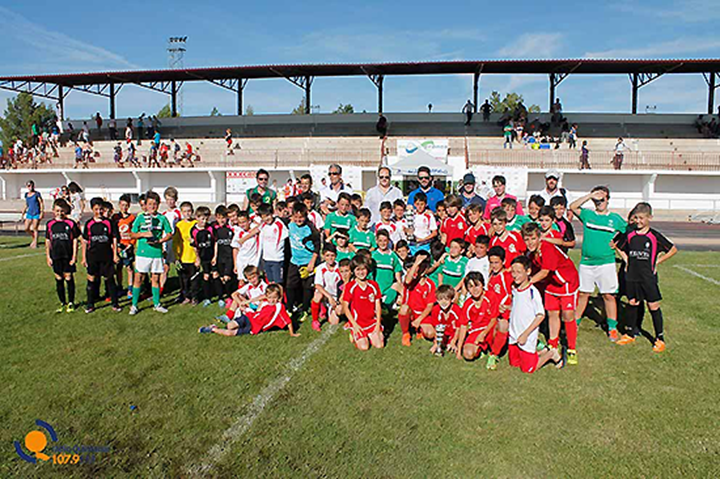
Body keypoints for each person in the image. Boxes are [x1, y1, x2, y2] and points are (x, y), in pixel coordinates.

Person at [615, 203, 678, 353]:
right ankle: (630, 334)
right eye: (636, 218)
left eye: (642, 218)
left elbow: (673, 249)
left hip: (647, 277)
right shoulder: (630, 235)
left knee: (653, 306)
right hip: (631, 275)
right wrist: (626, 259)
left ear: (650, 217)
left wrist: (657, 262)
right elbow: (617, 245)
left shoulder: (654, 236)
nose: (638, 221)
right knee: (632, 302)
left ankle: (659, 338)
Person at [570, 186, 627, 341]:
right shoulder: (588, 215)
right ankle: (574, 324)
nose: (599, 202)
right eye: (596, 200)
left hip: (606, 263)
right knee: (583, 294)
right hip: (587, 263)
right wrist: (589, 195)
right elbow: (573, 206)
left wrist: (618, 243)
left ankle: (612, 328)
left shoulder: (615, 218)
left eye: (602, 199)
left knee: (608, 295)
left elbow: (628, 232)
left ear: (607, 199)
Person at [522, 222, 579, 365]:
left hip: (566, 282)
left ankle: (571, 348)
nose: (530, 242)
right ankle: (553, 343)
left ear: (539, 237)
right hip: (551, 284)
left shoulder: (547, 248)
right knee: (552, 313)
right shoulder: (531, 253)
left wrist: (528, 283)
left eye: (533, 238)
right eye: (527, 239)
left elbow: (545, 271)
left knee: (567, 314)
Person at [507, 256, 562, 373]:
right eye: (513, 272)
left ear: (528, 272)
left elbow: (540, 315)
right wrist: (507, 308)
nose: (515, 275)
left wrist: (525, 334)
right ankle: (542, 351)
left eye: (518, 272)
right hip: (513, 335)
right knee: (514, 364)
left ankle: (551, 353)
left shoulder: (532, 292)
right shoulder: (514, 289)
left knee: (528, 369)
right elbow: (518, 307)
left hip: (526, 335)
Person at [129, 191, 173, 315]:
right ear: (145, 205)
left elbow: (169, 233)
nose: (152, 206)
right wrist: (143, 234)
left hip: (156, 253)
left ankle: (157, 304)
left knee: (155, 278)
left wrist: (160, 240)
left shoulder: (162, 218)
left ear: (158, 204)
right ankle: (134, 305)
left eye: (155, 204)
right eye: (150, 204)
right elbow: (132, 234)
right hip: (143, 253)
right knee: (139, 278)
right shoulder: (140, 217)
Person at [198, 284, 299, 338]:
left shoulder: (279, 307)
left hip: (254, 328)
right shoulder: (264, 302)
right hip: (248, 317)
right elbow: (259, 304)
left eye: (274, 298)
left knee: (230, 333)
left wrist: (292, 333)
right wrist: (247, 305)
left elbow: (288, 321)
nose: (272, 300)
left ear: (278, 297)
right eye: (270, 297)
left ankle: (213, 329)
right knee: (230, 326)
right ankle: (217, 326)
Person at [82, 197, 120, 313]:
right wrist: (84, 257)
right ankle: (90, 304)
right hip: (92, 256)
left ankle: (115, 304)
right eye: (96, 209)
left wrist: (115, 254)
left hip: (106, 256)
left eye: (101, 209)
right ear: (92, 209)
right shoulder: (89, 224)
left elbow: (114, 239)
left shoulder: (109, 223)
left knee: (109, 279)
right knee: (91, 279)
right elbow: (85, 241)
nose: (99, 211)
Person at [286, 202, 320, 324]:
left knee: (307, 287)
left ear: (306, 216)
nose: (298, 220)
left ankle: (305, 309)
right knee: (290, 285)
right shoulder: (289, 225)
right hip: (294, 262)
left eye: (301, 217)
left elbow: (317, 246)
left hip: (308, 262)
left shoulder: (310, 228)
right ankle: (289, 308)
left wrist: (312, 263)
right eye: (296, 217)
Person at [341, 256, 384, 350]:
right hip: (358, 324)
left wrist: (377, 325)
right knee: (364, 347)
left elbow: (378, 305)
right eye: (358, 270)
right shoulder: (350, 286)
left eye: (363, 269)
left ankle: (370, 334)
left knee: (379, 345)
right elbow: (345, 307)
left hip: (372, 323)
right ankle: (353, 333)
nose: (361, 272)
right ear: (353, 271)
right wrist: (355, 325)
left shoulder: (373, 285)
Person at [46, 198, 80, 313]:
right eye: (57, 211)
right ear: (53, 211)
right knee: (58, 278)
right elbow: (48, 241)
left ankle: (71, 302)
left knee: (69, 277)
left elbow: (75, 240)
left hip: (67, 256)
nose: (59, 213)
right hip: (55, 256)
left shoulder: (70, 223)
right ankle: (62, 302)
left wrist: (74, 256)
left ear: (65, 210)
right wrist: (48, 256)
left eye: (61, 211)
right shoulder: (50, 224)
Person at [398, 251, 436, 347]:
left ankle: (419, 330)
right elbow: (407, 280)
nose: (421, 270)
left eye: (424, 267)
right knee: (404, 308)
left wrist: (419, 319)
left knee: (430, 334)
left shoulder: (430, 284)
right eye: (420, 267)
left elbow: (429, 305)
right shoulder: (411, 279)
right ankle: (406, 333)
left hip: (422, 314)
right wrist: (416, 263)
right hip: (410, 312)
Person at [457, 272, 496, 363]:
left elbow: (494, 318)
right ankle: (480, 349)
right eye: (470, 286)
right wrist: (459, 350)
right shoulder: (468, 304)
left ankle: (494, 353)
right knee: (468, 354)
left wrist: (484, 333)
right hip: (476, 331)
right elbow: (463, 326)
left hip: (490, 328)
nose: (474, 289)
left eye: (477, 285)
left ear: (483, 285)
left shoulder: (490, 297)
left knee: (501, 327)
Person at [420, 285, 462, 356]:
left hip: (454, 332)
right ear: (437, 300)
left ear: (451, 299)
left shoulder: (457, 310)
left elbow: (459, 327)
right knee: (441, 342)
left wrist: (454, 341)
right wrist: (436, 343)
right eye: (440, 299)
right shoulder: (436, 309)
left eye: (446, 299)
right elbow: (436, 327)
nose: (443, 302)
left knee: (452, 344)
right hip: (443, 332)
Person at [311, 244, 343, 330]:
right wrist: (329, 297)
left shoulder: (340, 267)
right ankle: (315, 320)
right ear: (324, 256)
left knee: (334, 322)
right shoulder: (320, 268)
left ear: (336, 256)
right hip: (326, 295)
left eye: (332, 255)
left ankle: (326, 309)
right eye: (327, 255)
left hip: (337, 297)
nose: (330, 258)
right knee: (317, 295)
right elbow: (318, 285)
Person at [175, 201, 199, 304]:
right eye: (185, 211)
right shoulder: (179, 225)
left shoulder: (196, 224)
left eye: (189, 211)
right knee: (184, 280)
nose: (187, 213)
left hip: (193, 257)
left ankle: (195, 297)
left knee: (194, 280)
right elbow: (176, 242)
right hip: (183, 257)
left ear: (192, 211)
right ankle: (186, 297)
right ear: (181, 213)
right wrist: (177, 256)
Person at [371, 229, 403, 309]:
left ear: (388, 241)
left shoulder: (393, 256)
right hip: (377, 288)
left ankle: (388, 305)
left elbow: (397, 273)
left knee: (391, 294)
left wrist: (399, 287)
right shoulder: (373, 255)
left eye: (385, 240)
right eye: (380, 240)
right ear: (377, 241)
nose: (383, 243)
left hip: (388, 288)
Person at [191, 206, 216, 306]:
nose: (204, 221)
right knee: (204, 276)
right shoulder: (194, 230)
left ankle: (216, 295)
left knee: (214, 275)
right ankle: (205, 297)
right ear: (197, 217)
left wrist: (215, 256)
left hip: (211, 256)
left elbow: (215, 242)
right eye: (202, 219)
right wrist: (197, 258)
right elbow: (194, 246)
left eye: (206, 219)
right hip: (202, 257)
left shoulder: (210, 228)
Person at [211, 206, 236, 304]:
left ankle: (230, 296)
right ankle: (221, 297)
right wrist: (215, 256)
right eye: (219, 218)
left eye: (223, 218)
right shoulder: (215, 229)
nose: (221, 220)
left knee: (227, 277)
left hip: (229, 257)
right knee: (219, 277)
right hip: (220, 257)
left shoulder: (231, 229)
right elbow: (216, 243)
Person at [113, 194, 136, 296]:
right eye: (122, 205)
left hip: (128, 246)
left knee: (129, 268)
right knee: (118, 268)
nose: (124, 207)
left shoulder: (131, 218)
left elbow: (135, 232)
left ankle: (130, 288)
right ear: (119, 205)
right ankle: (119, 287)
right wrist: (116, 246)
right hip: (119, 247)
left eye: (126, 205)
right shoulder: (115, 217)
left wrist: (131, 244)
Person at [161, 187, 182, 294]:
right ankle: (161, 290)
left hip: (177, 242)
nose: (170, 202)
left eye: (172, 199)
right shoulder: (163, 214)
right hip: (166, 242)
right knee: (165, 267)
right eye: (168, 199)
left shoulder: (178, 213)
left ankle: (183, 288)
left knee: (180, 266)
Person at [21, 180, 44, 248]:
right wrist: (23, 211)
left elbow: (41, 203)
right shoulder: (26, 195)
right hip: (29, 212)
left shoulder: (37, 194)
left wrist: (41, 212)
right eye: (28, 186)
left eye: (31, 185)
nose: (30, 187)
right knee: (26, 228)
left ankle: (35, 243)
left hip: (36, 212)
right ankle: (34, 237)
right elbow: (26, 204)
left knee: (35, 228)